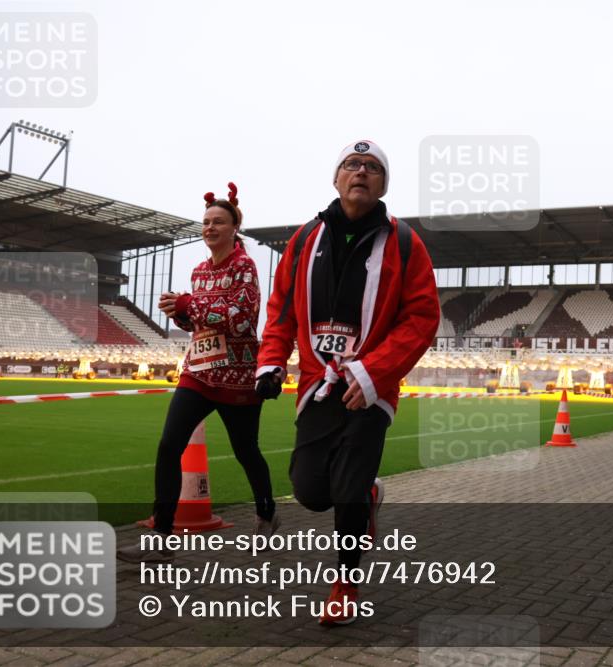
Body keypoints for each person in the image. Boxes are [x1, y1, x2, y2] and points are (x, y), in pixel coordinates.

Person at [256, 140, 440, 625]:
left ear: (384, 184)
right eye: (352, 164)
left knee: (348, 489)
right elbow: (280, 310)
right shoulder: (304, 240)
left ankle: (345, 583)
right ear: (336, 178)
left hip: (371, 389)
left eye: (373, 167)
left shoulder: (405, 243)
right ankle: (370, 497)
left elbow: (422, 317)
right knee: (311, 491)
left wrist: (374, 371)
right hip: (317, 384)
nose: (361, 172)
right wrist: (271, 361)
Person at [117, 183, 277, 564]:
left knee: (246, 451)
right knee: (169, 446)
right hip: (199, 372)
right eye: (206, 222)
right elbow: (202, 323)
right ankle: (162, 537)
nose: (209, 227)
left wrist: (190, 305)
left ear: (234, 228)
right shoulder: (199, 272)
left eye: (218, 221)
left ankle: (267, 514)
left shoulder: (244, 267)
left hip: (237, 377)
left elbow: (240, 319)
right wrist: (181, 313)